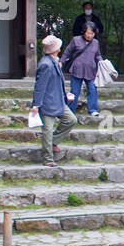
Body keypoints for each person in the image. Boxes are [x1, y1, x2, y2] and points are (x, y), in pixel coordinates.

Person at [30, 35, 77, 167]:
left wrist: (64, 94)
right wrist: (36, 104)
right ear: (55, 49)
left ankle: (53, 142)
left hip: (58, 99)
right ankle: (48, 159)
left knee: (71, 119)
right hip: (47, 102)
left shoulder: (54, 61)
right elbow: (40, 86)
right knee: (47, 130)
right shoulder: (46, 64)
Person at [62, 23, 102, 117]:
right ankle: (70, 111)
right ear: (84, 32)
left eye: (92, 33)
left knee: (92, 89)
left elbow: (98, 55)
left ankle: (93, 110)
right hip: (77, 69)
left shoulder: (96, 42)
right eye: (88, 33)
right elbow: (67, 52)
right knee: (74, 91)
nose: (90, 35)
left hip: (91, 70)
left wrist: (102, 63)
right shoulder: (76, 40)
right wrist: (61, 62)